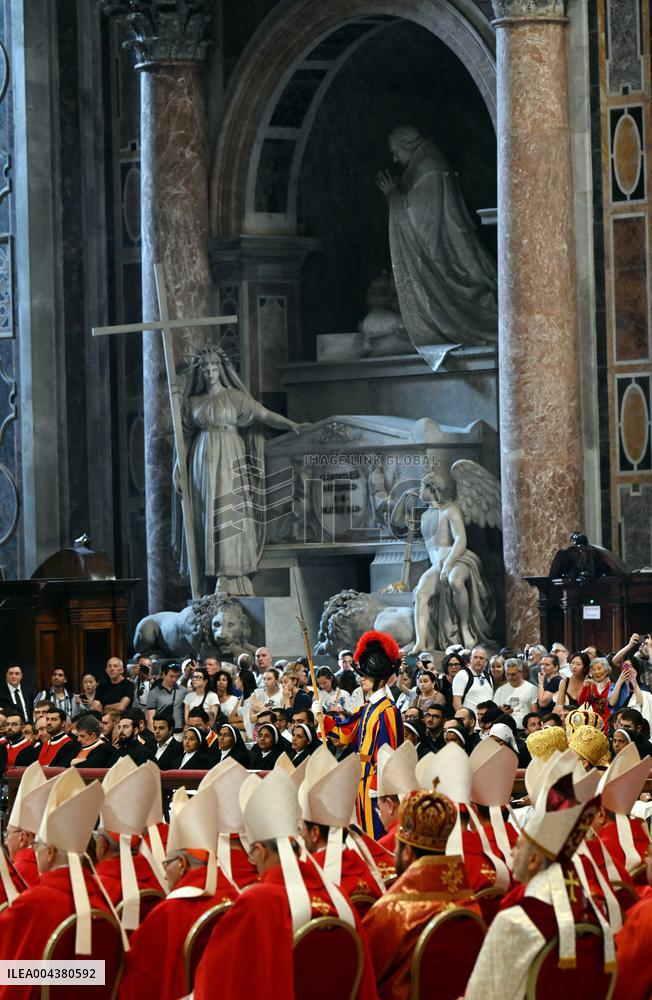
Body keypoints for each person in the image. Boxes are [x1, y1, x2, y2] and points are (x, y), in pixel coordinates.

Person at [192, 769, 377, 1000]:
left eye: (252, 853)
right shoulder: (337, 895)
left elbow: (216, 982)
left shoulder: (255, 903)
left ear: (259, 851)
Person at [465, 752, 608, 999]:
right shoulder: (596, 911)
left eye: (518, 847)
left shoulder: (515, 921)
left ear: (533, 860)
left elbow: (482, 995)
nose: (511, 856)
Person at [174, 345, 306, 595]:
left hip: (229, 454)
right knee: (206, 513)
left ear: (221, 369)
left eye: (214, 367)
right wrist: (178, 471)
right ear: (199, 372)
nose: (210, 372)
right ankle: (210, 576)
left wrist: (292, 425)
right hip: (202, 460)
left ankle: (232, 575)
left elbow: (264, 414)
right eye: (205, 368)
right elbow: (184, 439)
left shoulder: (235, 397)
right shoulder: (193, 402)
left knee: (229, 512)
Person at [119, 779, 250, 1000]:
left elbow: (136, 976)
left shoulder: (169, 912)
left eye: (166, 864)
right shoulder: (238, 897)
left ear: (181, 864)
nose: (164, 872)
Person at [376, 125, 497, 354]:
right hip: (443, 248)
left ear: (407, 145)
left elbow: (422, 224)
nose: (394, 158)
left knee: (470, 299)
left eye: (395, 151)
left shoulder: (428, 166)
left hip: (445, 256)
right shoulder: (421, 164)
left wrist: (393, 195)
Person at [363, 786, 478, 999]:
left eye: (397, 846)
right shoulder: (469, 903)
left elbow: (363, 971)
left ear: (406, 853)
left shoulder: (394, 911)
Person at [0, 768, 109, 981]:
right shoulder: (102, 896)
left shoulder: (33, 903)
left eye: (38, 846)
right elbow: (96, 974)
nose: (35, 850)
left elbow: (14, 978)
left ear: (49, 852)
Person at [321, 630, 405, 837]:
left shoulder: (388, 710)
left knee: (376, 832)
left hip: (375, 782)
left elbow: (389, 753)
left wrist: (381, 786)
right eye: (363, 675)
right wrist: (321, 718)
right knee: (364, 832)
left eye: (367, 676)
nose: (362, 679)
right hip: (361, 776)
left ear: (379, 679)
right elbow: (344, 735)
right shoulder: (367, 707)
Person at [406, 468, 495, 654]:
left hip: (459, 558)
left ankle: (465, 627)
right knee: (421, 593)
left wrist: (448, 563)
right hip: (437, 565)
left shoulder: (450, 510)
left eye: (422, 487)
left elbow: (461, 539)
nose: (419, 491)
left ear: (431, 489)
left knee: (455, 580)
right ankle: (421, 641)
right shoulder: (423, 516)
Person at [299, 749, 384, 901]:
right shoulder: (364, 863)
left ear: (315, 832)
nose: (300, 835)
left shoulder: (306, 875)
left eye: (301, 829)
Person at [492, 659, 538, 729]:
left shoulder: (532, 688)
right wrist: (501, 711)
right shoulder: (500, 690)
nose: (510, 677)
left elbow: (534, 714)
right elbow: (493, 712)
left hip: (523, 729)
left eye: (513, 674)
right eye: (508, 674)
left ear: (521, 673)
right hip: (504, 728)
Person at [146, 662, 184, 733]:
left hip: (179, 731)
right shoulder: (154, 692)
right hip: (161, 731)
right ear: (164, 674)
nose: (174, 679)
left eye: (177, 676)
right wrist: (154, 734)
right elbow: (150, 718)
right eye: (171, 676)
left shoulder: (183, 691)